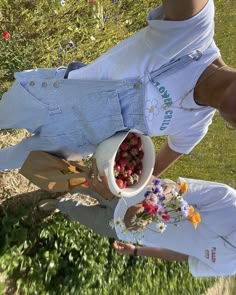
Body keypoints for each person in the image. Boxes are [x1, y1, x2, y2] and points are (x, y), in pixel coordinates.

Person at [0, 1, 235, 187]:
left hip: (68, 145)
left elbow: (146, 174)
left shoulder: (195, 127)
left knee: (8, 160)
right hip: (50, 98)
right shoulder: (193, 34)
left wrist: (112, 181)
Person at [38, 177, 236, 277]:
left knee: (80, 214)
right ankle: (53, 175)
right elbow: (176, 188)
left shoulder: (228, 267)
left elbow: (183, 255)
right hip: (131, 194)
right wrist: (147, 206)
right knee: (80, 181)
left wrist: (137, 251)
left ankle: (60, 204)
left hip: (128, 231)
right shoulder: (229, 200)